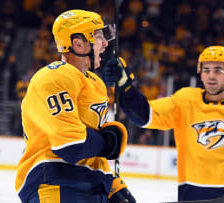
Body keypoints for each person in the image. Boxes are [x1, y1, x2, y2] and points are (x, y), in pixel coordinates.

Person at [103, 45, 224, 202]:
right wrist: (126, 88)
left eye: (218, 70)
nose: (211, 76)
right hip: (193, 192)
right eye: (206, 70)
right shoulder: (186, 100)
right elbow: (145, 116)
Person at [15, 10, 136, 203]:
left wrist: (112, 185)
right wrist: (107, 143)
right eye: (98, 37)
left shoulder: (95, 83)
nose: (105, 43)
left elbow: (91, 151)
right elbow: (72, 146)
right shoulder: (54, 77)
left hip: (90, 186)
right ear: (79, 44)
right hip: (56, 183)